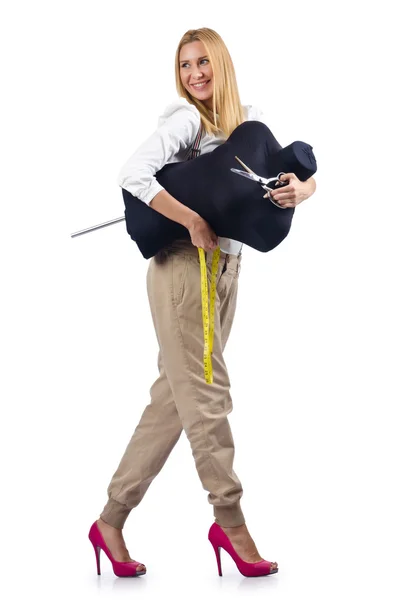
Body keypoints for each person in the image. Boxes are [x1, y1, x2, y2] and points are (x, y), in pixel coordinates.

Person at [88, 27, 316, 578]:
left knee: (176, 398)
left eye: (203, 63)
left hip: (228, 269)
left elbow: (301, 174)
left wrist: (299, 190)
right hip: (183, 268)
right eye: (186, 65)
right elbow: (131, 174)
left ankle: (110, 520)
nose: (195, 74)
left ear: (222, 64)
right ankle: (230, 520)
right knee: (209, 392)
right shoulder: (185, 123)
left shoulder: (247, 120)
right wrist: (190, 218)